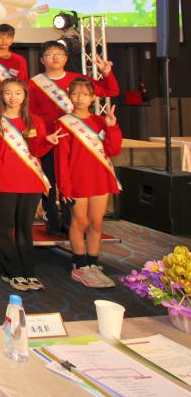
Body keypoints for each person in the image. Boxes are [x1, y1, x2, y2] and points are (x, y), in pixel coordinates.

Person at [29, 40, 118, 237]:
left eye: (59, 54)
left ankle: (72, 222)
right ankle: (52, 222)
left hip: (76, 139)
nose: (55, 58)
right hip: (50, 139)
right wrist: (42, 137)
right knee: (50, 182)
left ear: (66, 58)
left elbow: (110, 91)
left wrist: (106, 73)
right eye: (50, 54)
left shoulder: (78, 79)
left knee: (73, 181)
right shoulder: (34, 83)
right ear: (42, 60)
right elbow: (30, 113)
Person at [0, 78, 60, 292]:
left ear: (25, 96)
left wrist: (48, 142)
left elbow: (37, 151)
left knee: (25, 227)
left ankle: (28, 271)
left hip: (31, 181)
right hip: (5, 182)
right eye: (8, 93)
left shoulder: (34, 121)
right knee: (5, 228)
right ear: (1, 96)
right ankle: (12, 270)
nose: (13, 97)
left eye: (18, 93)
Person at [55, 79, 123, 289]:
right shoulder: (64, 123)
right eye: (75, 94)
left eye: (85, 94)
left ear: (93, 97)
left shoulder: (101, 121)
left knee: (97, 222)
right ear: (69, 96)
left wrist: (112, 127)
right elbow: (62, 158)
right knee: (80, 221)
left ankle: (93, 261)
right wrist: (64, 186)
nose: (80, 98)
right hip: (77, 179)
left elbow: (113, 150)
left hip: (99, 177)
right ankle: (79, 262)